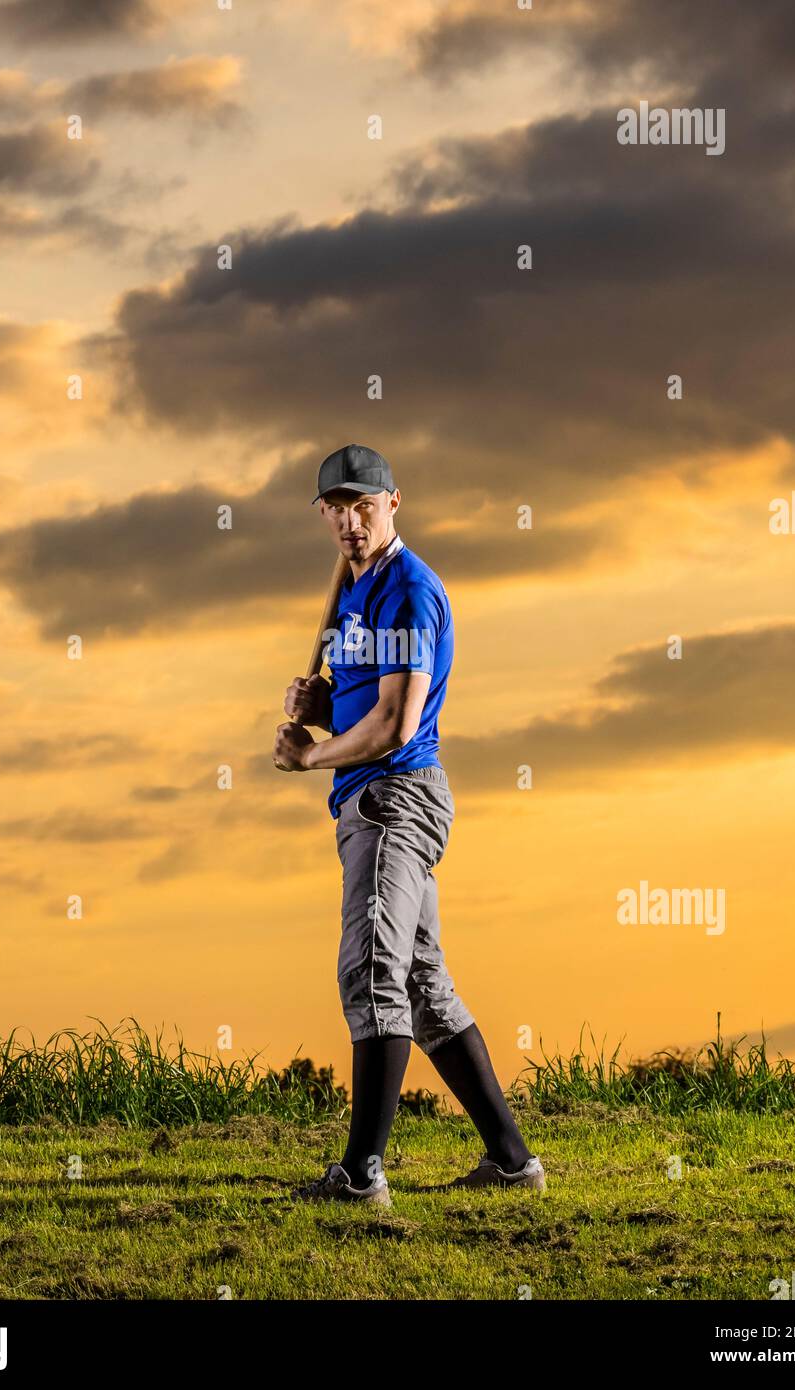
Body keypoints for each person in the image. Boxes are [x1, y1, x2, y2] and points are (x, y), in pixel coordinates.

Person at [272, 443, 545, 1207]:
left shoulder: (407, 592)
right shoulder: (356, 594)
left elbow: (395, 724)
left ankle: (359, 1176)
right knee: (423, 988)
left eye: (366, 504)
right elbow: (365, 702)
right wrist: (322, 710)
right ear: (323, 513)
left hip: (394, 797)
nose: (352, 520)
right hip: (370, 797)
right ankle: (513, 1162)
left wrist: (310, 754)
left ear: (394, 504)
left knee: (369, 975)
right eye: (339, 507)